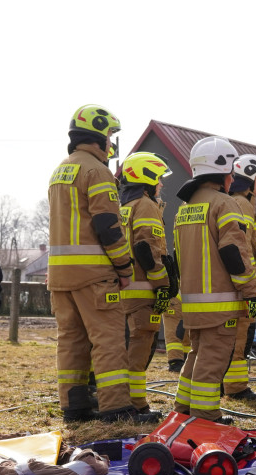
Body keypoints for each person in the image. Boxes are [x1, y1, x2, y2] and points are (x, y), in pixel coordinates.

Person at [48, 104, 154, 423]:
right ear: (98, 137)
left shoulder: (59, 171)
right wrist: (123, 268)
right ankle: (115, 408)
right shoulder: (97, 171)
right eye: (109, 136)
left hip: (60, 277)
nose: (111, 143)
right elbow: (107, 225)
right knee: (107, 341)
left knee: (71, 342)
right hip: (95, 275)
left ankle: (75, 406)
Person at [173, 136, 256, 423]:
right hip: (220, 303)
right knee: (213, 361)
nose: (233, 178)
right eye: (231, 172)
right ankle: (205, 415)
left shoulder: (185, 209)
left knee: (196, 356)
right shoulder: (224, 204)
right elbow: (234, 252)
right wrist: (250, 290)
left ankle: (183, 409)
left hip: (193, 303)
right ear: (221, 171)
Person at [119, 152, 173, 415]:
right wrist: (162, 283)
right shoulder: (146, 205)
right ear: (147, 177)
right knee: (141, 346)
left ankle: (123, 399)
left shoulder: (124, 206)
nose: (161, 184)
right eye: (159, 178)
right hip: (143, 290)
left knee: (125, 345)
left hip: (124, 289)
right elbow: (146, 247)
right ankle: (136, 405)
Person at [223, 153, 256, 402]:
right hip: (242, 286)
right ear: (249, 179)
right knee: (241, 336)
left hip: (240, 284)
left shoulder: (242, 204)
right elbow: (244, 249)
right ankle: (236, 387)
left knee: (239, 336)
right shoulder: (241, 204)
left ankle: (231, 384)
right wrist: (251, 284)